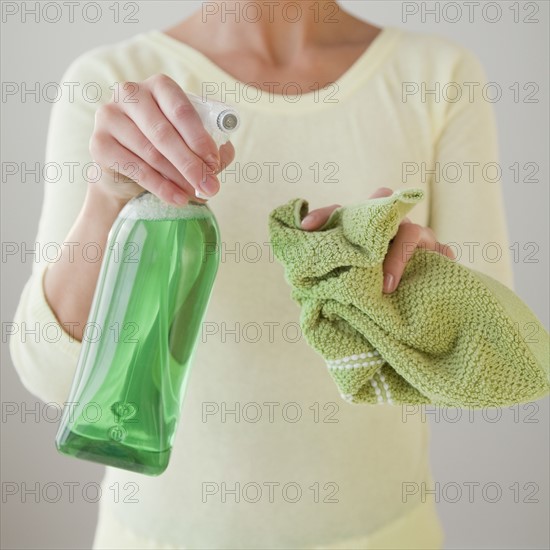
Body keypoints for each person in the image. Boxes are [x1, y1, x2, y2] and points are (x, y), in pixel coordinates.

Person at [10, 1, 514, 548]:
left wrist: (409, 282)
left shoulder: (439, 77)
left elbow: (493, 362)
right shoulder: (109, 86)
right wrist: (108, 200)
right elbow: (50, 376)